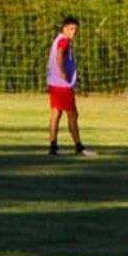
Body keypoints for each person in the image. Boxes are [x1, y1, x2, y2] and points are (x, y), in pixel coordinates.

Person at [47, 16, 94, 157]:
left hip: (54, 83)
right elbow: (60, 55)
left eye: (76, 30)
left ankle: (53, 146)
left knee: (56, 113)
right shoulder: (63, 41)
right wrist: (62, 71)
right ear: (64, 28)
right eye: (71, 29)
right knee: (73, 115)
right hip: (62, 85)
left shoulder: (58, 39)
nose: (74, 32)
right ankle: (79, 147)